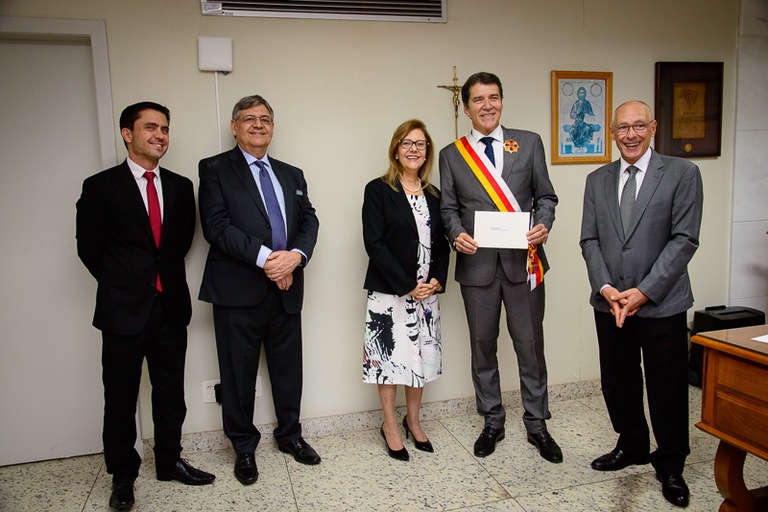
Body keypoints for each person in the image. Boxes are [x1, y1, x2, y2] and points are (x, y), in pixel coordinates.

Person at [76, 102, 215, 510]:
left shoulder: (179, 185)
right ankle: (123, 475)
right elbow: (89, 249)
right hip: (123, 309)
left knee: (171, 393)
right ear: (127, 133)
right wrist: (126, 283)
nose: (160, 135)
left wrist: (159, 282)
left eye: (165, 129)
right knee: (120, 396)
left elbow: (179, 244)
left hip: (170, 307)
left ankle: (169, 461)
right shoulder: (100, 186)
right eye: (150, 127)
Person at [579, 100, 703, 508]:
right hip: (611, 303)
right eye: (622, 128)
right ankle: (631, 443)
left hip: (661, 304)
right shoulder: (597, 180)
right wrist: (606, 287)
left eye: (638, 126)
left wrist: (645, 291)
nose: (630, 135)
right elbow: (590, 240)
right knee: (618, 380)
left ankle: (670, 464)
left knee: (666, 386)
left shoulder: (683, 173)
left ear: (652, 127)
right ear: (612, 133)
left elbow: (684, 239)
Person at [439, 72, 562, 463]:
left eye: (493, 98)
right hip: (477, 268)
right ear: (466, 107)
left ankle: (538, 424)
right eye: (478, 100)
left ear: (502, 101)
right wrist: (456, 234)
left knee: (530, 347)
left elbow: (546, 196)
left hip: (522, 266)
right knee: (482, 347)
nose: (487, 105)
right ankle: (492, 420)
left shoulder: (528, 143)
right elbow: (448, 210)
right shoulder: (451, 154)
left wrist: (544, 224)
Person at [198, 95, 321, 486]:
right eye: (248, 119)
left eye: (265, 119)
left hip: (287, 289)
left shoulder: (292, 174)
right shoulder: (216, 169)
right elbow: (216, 228)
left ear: (273, 126)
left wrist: (296, 256)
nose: (258, 125)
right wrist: (272, 260)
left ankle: (290, 436)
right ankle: (244, 448)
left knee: (289, 371)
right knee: (238, 375)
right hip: (237, 292)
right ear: (234, 127)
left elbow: (310, 220)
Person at [362, 119, 450, 461]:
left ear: (426, 151)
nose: (414, 149)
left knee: (420, 360)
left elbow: (441, 243)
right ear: (396, 149)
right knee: (390, 361)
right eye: (407, 143)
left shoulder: (433, 193)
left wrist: (437, 279)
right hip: (390, 293)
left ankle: (413, 421)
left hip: (426, 295)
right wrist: (406, 286)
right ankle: (389, 425)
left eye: (421, 144)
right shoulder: (378, 189)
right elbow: (375, 243)